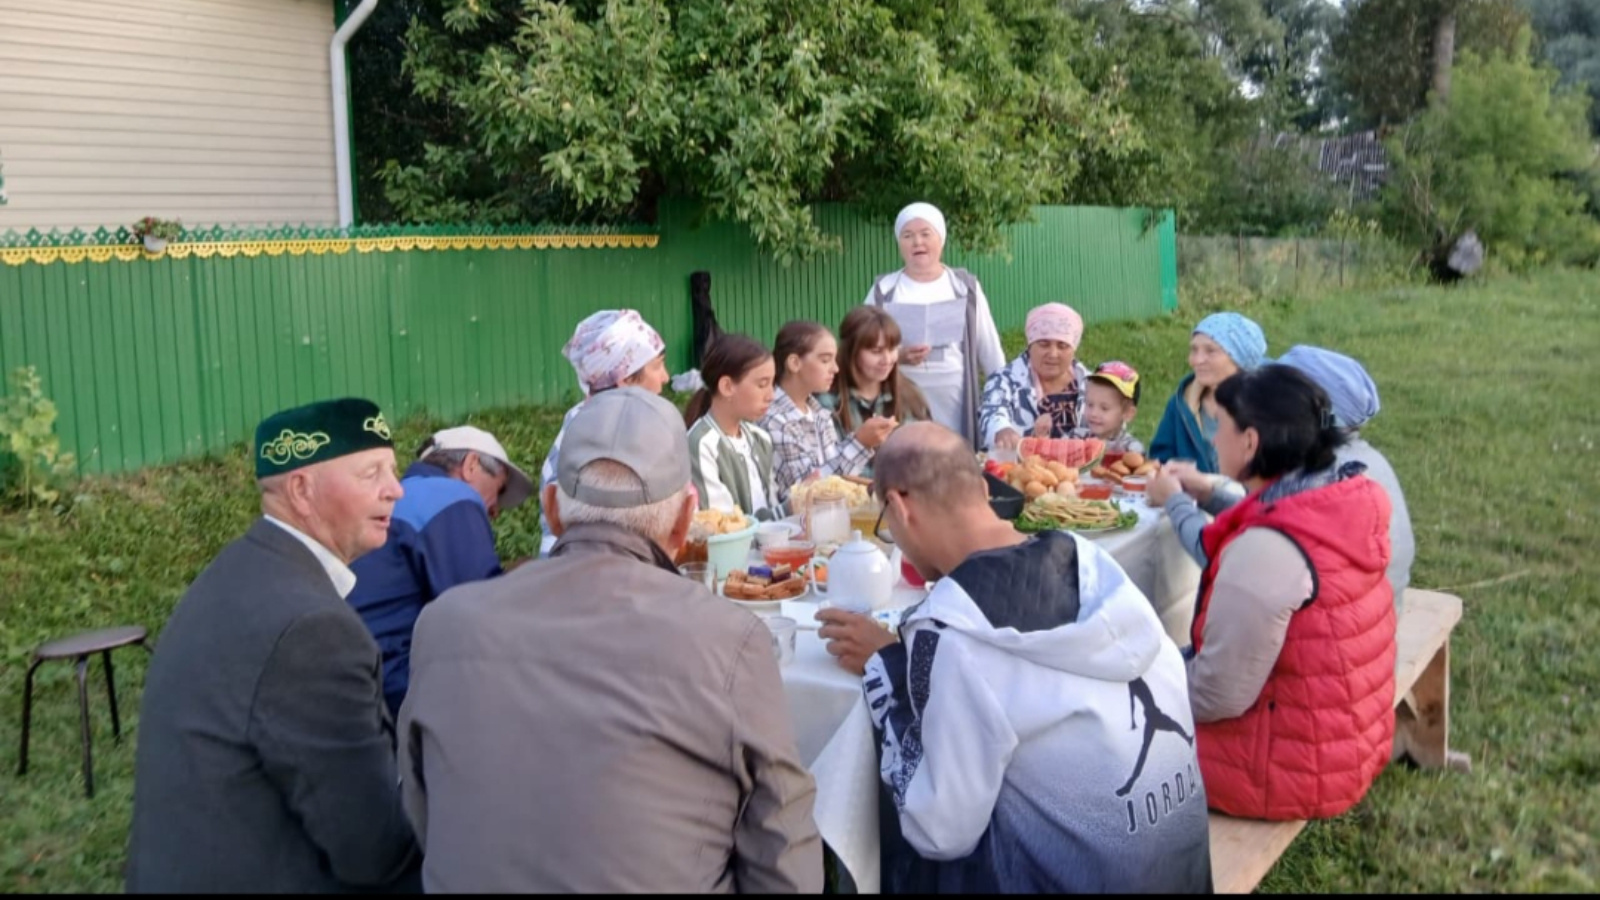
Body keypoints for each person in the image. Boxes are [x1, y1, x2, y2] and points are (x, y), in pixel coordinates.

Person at [398, 387, 823, 892]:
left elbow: (422, 809)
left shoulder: (443, 624)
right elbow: (783, 855)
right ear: (686, 520)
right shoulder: (731, 639)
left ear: (553, 509)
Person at [815, 422, 1213, 893]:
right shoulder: (1093, 563)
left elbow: (938, 830)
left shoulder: (951, 631)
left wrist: (890, 667)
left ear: (899, 507)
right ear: (984, 491)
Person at [127, 398, 420, 893]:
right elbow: (375, 853)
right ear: (302, 490)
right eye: (371, 472)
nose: (396, 489)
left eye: (392, 470)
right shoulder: (312, 630)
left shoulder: (244, 570)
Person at [1146, 366, 1396, 821]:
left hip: (1282, 769)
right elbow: (1270, 514)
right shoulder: (1338, 495)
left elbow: (1215, 696)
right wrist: (1208, 493)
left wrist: (1141, 682)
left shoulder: (1265, 552)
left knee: (1096, 733)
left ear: (1250, 442)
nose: (1213, 438)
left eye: (1220, 425)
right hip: (1340, 741)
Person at [347, 425, 534, 716]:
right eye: (498, 490)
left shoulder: (401, 498)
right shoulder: (449, 496)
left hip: (354, 672)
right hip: (394, 685)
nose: (495, 511)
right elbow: (482, 617)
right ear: (471, 465)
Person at [1279, 344, 1414, 606]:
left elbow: (1256, 560)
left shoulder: (1318, 476)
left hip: (1342, 623)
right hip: (1379, 612)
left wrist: (1191, 512)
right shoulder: (1366, 458)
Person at [864, 202, 1006, 445]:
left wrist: (1002, 401)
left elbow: (989, 350)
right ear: (899, 243)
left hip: (955, 398)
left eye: (925, 234)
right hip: (902, 394)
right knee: (907, 455)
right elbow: (861, 348)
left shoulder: (964, 287)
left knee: (953, 456)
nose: (917, 242)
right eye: (908, 235)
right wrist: (898, 355)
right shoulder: (884, 290)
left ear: (941, 239)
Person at [537, 309, 671, 555]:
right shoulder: (592, 441)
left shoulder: (606, 423)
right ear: (625, 379)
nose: (666, 377)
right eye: (657, 366)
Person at [759, 320, 896, 504]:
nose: (835, 368)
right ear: (794, 363)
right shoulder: (775, 420)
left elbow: (836, 479)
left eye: (834, 359)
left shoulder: (819, 414)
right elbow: (804, 494)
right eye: (825, 360)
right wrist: (860, 443)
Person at [817, 305, 930, 478]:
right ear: (851, 352)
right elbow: (824, 474)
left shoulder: (911, 396)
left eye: (892, 349)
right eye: (876, 351)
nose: (887, 359)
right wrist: (861, 443)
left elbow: (929, 455)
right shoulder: (826, 403)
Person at [1149, 312, 1268, 473]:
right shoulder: (1181, 403)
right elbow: (1160, 459)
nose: (1197, 360)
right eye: (1194, 350)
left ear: (1239, 359)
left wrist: (1210, 485)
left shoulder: (1264, 409)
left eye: (1210, 351)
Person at [684, 333, 781, 520]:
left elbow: (772, 504)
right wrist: (788, 510)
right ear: (727, 386)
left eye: (773, 383)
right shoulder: (702, 444)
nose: (771, 395)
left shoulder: (760, 438)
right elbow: (725, 525)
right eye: (762, 385)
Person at [978, 302, 1090, 452]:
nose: (1053, 354)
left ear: (1073, 349)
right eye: (1044, 344)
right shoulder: (1003, 380)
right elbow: (993, 411)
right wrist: (1002, 430)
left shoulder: (1091, 384)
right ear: (1030, 345)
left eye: (1062, 346)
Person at [1075, 360, 1146, 455]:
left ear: (1128, 413)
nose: (1094, 413)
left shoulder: (1131, 449)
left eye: (1104, 408)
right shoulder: (1075, 437)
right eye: (1090, 404)